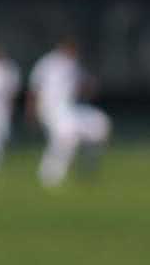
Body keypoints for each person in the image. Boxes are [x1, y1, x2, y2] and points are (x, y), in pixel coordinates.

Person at [28, 36, 110, 187]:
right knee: (67, 137)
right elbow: (35, 88)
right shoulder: (47, 63)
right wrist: (31, 111)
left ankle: (87, 171)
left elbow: (86, 86)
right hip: (50, 109)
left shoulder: (73, 64)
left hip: (69, 109)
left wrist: (90, 85)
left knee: (100, 124)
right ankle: (49, 177)